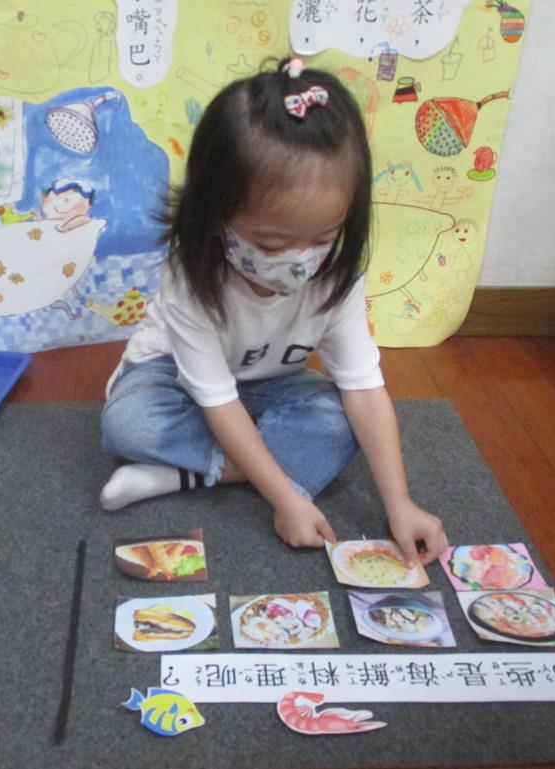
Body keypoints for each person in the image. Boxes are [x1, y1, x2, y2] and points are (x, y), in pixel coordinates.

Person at [99, 58, 448, 566]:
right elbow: (217, 400)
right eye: (270, 243)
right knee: (129, 423)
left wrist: (400, 504)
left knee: (340, 425)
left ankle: (181, 476)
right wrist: (286, 498)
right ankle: (247, 469)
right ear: (213, 216)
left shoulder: (337, 277)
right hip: (174, 379)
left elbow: (364, 391)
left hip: (271, 385)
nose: (299, 261)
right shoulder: (191, 277)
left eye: (323, 238)